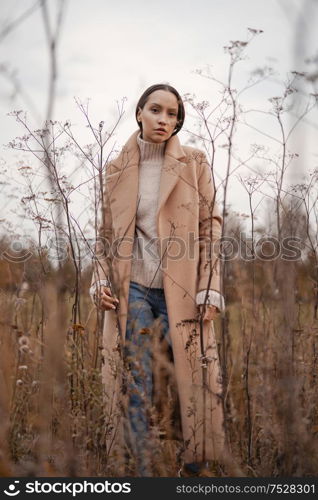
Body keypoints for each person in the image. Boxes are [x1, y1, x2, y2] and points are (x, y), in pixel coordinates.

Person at [90, 83, 226, 477]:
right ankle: (140, 469)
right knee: (136, 377)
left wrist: (210, 283)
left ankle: (194, 468)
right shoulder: (116, 169)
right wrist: (100, 282)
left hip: (182, 289)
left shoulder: (194, 162)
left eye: (173, 114)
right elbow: (105, 235)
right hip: (130, 286)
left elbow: (209, 226)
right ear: (139, 113)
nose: (165, 120)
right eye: (156, 110)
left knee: (191, 377)